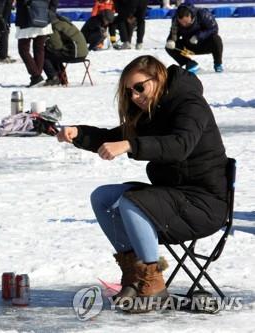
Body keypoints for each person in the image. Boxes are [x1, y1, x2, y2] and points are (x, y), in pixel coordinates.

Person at [57, 55, 228, 312]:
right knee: (102, 197)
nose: (135, 96)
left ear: (158, 78)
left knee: (132, 203)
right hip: (172, 196)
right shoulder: (152, 110)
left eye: (139, 87)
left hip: (204, 203)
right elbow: (115, 136)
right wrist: (79, 134)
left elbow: (179, 145)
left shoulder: (190, 104)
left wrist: (130, 146)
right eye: (129, 91)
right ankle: (136, 274)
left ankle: (154, 286)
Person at [165, 3, 224, 73]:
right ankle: (190, 64)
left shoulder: (202, 14)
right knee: (169, 47)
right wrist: (171, 40)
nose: (184, 24)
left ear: (190, 16)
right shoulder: (175, 20)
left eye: (186, 22)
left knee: (216, 39)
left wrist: (198, 36)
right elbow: (174, 33)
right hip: (188, 45)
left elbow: (214, 29)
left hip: (204, 43)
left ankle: (218, 64)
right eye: (181, 23)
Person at [15, 0, 58, 87]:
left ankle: (36, 76)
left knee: (23, 49)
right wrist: (50, 12)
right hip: (43, 15)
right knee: (39, 48)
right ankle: (36, 77)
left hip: (27, 16)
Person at [44, 14, 88, 86]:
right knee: (54, 54)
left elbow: (57, 46)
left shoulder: (54, 26)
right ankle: (61, 78)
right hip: (82, 52)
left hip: (75, 53)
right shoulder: (63, 22)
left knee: (44, 53)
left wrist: (47, 41)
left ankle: (53, 77)